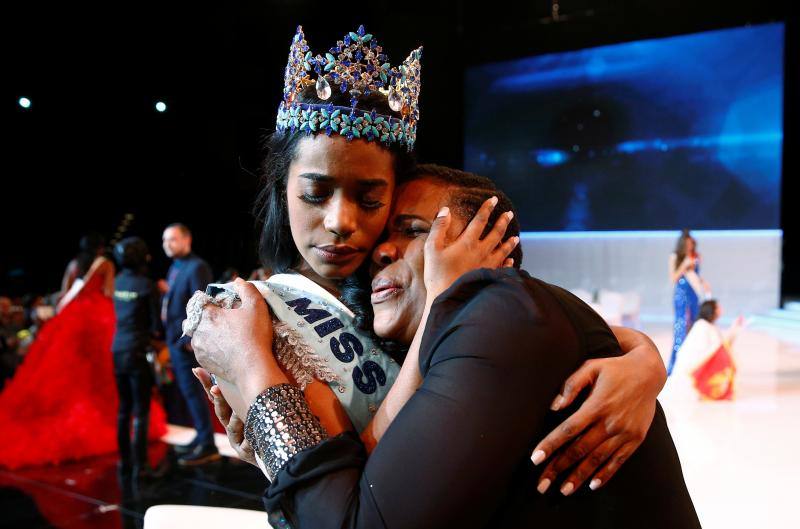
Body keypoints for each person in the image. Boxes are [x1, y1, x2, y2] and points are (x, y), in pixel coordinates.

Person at [189, 24, 666, 489]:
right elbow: (354, 488)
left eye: (371, 200)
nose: (340, 220)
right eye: (315, 193)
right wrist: (444, 305)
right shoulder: (245, 318)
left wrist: (643, 364)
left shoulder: (393, 287)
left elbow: (536, 336)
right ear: (282, 189)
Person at [192, 166, 698, 528]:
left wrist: (257, 374)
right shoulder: (423, 340)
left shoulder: (501, 308)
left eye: (413, 231)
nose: (378, 251)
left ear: (491, 244)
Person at [0, 234, 165, 469]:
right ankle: (136, 459)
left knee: (65, 372)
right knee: (102, 376)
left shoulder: (74, 265)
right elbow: (109, 292)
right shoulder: (106, 265)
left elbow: (65, 290)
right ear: (100, 248)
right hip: (100, 320)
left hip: (73, 318)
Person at [160, 222, 218, 465]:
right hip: (174, 339)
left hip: (186, 342)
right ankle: (201, 436)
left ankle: (207, 443)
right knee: (188, 392)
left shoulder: (196, 267)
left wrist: (191, 339)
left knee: (194, 393)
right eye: (164, 240)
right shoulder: (176, 267)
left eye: (172, 239)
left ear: (187, 240)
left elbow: (201, 304)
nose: (167, 245)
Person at [112, 237, 164, 478]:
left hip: (117, 349)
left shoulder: (117, 282)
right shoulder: (146, 285)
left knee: (124, 408)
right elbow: (156, 326)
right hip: (138, 350)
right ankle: (141, 466)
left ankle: (124, 461)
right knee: (141, 410)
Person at [669, 299, 743, 401]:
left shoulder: (709, 326)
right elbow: (714, 347)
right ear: (711, 310)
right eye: (718, 307)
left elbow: (721, 344)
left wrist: (735, 327)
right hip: (692, 369)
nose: (721, 310)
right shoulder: (702, 326)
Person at [668, 229, 710, 375]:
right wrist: (684, 265)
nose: (690, 246)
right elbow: (673, 278)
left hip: (694, 295)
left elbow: (697, 276)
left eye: (691, 243)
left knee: (694, 327)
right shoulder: (675, 257)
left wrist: (703, 282)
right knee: (681, 328)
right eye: (687, 243)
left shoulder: (696, 257)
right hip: (681, 295)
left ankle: (693, 365)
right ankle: (676, 366)